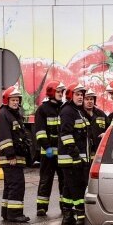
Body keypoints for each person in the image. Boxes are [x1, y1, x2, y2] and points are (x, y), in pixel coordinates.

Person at [0, 86, 32, 223]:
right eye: (13, 100)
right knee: (17, 184)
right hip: (11, 158)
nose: (16, 102)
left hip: (16, 157)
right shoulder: (3, 115)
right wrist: (10, 156)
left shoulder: (13, 114)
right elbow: (5, 137)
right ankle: (15, 214)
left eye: (17, 100)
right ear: (7, 100)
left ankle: (6, 212)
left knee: (10, 185)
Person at [58, 84, 92, 225]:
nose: (80, 97)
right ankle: (81, 217)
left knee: (68, 188)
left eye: (81, 95)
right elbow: (66, 135)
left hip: (75, 158)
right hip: (72, 159)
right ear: (71, 95)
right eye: (77, 94)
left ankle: (67, 217)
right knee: (78, 187)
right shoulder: (67, 111)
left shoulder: (77, 111)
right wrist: (76, 156)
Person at [34, 80, 64, 217]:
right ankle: (41, 207)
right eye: (58, 92)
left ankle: (65, 207)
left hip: (61, 153)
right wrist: (47, 147)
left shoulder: (63, 108)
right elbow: (40, 132)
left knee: (64, 181)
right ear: (52, 92)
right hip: (48, 153)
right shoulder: (43, 109)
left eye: (62, 92)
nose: (60, 94)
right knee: (46, 180)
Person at [82, 87, 108, 155]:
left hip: (99, 151)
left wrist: (105, 134)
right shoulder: (79, 114)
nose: (89, 101)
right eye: (87, 99)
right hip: (85, 152)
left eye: (91, 99)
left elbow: (109, 128)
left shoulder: (101, 114)